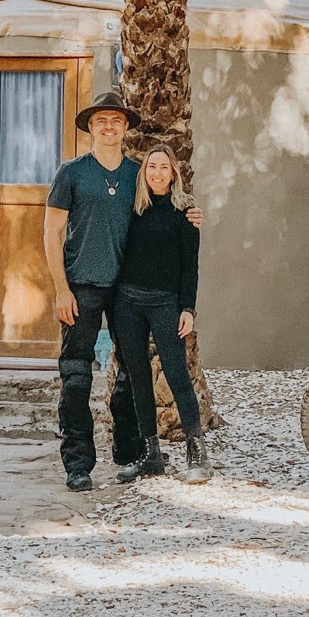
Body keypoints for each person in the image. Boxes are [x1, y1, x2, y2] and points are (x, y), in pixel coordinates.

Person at [44, 92, 202, 492]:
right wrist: (61, 289)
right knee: (77, 374)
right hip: (81, 284)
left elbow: (165, 204)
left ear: (125, 127)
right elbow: (52, 232)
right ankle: (78, 463)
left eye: (116, 120)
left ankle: (132, 452)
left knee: (131, 373)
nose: (109, 126)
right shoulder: (72, 173)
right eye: (102, 121)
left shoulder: (137, 173)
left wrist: (189, 214)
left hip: (127, 290)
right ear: (91, 128)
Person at [113, 143, 210, 485]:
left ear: (173, 174)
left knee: (177, 374)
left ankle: (197, 450)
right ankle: (150, 453)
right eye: (151, 166)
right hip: (127, 304)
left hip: (165, 304)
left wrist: (188, 308)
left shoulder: (185, 214)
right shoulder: (131, 209)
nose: (157, 172)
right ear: (145, 172)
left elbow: (190, 269)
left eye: (163, 167)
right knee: (138, 377)